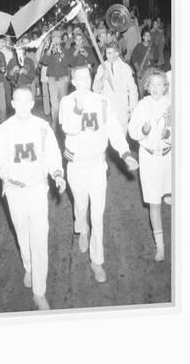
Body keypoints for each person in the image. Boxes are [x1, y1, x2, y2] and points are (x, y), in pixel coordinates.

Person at [0, 86, 66, 311]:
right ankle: (28, 266)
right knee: (22, 234)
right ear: (12, 103)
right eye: (18, 100)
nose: (22, 105)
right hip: (15, 192)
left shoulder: (42, 128)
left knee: (40, 240)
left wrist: (57, 173)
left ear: (32, 103)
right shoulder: (4, 130)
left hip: (37, 190)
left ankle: (40, 291)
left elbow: (53, 155)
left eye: (27, 101)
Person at [59, 65, 138, 283]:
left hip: (97, 166)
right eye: (79, 79)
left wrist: (125, 153)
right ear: (73, 81)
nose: (84, 83)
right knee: (81, 206)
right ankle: (81, 229)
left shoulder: (102, 101)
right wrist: (78, 107)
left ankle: (97, 261)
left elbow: (113, 129)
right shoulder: (67, 103)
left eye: (87, 78)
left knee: (98, 216)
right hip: (76, 167)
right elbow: (69, 128)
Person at [128, 69, 171, 261]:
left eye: (159, 84)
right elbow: (132, 131)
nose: (155, 88)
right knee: (155, 203)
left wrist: (169, 136)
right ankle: (160, 247)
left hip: (170, 159)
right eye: (151, 84)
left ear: (165, 87)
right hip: (149, 159)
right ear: (146, 87)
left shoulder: (171, 104)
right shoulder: (141, 106)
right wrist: (143, 131)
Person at [93, 41, 138, 134]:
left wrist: (132, 107)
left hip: (122, 107)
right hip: (106, 108)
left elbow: (132, 89)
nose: (106, 55)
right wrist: (102, 78)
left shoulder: (125, 68)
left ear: (117, 53)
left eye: (109, 53)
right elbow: (95, 89)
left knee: (121, 136)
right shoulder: (102, 67)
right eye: (106, 53)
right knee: (105, 136)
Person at [41, 31, 70, 129]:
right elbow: (44, 62)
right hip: (52, 79)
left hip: (63, 79)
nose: (56, 39)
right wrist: (49, 49)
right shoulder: (48, 51)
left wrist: (61, 52)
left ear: (61, 40)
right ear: (51, 40)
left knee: (64, 103)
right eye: (54, 38)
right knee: (54, 104)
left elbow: (67, 63)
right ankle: (55, 125)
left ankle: (64, 124)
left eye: (58, 38)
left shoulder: (65, 50)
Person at [131, 28, 159, 98]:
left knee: (151, 91)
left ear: (150, 37)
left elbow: (157, 58)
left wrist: (152, 56)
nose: (147, 37)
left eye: (148, 35)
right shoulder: (138, 46)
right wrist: (138, 70)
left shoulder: (153, 46)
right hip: (141, 72)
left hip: (150, 71)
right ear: (142, 37)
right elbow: (134, 59)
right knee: (141, 93)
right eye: (145, 35)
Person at [0, 36, 14, 109]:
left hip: (5, 76)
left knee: (7, 93)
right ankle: (2, 108)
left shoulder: (8, 52)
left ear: (4, 43)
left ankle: (9, 108)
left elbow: (10, 64)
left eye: (0, 42)